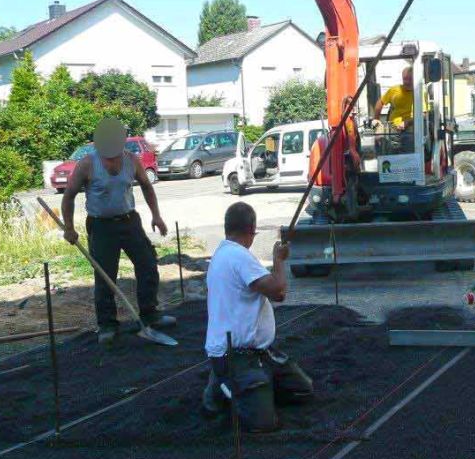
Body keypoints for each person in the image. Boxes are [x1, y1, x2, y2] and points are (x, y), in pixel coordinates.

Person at [62, 117, 175, 344]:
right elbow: (69, 196)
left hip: (129, 221)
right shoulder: (87, 164)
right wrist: (69, 228)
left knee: (148, 265)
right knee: (105, 276)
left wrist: (156, 216)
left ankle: (149, 314)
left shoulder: (131, 160)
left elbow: (146, 186)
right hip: (101, 226)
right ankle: (107, 324)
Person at [202, 202, 313, 432]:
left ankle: (252, 383)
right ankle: (223, 386)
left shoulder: (224, 254)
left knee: (302, 389)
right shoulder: (239, 257)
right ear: (251, 229)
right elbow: (279, 292)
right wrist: (279, 260)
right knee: (262, 424)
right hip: (236, 356)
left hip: (258, 352)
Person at [373, 65, 415, 131]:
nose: (407, 82)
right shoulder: (394, 90)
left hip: (413, 128)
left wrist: (407, 122)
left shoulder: (419, 93)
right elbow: (380, 102)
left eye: (410, 79)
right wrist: (376, 120)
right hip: (394, 128)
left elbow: (423, 115)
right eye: (405, 79)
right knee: (379, 137)